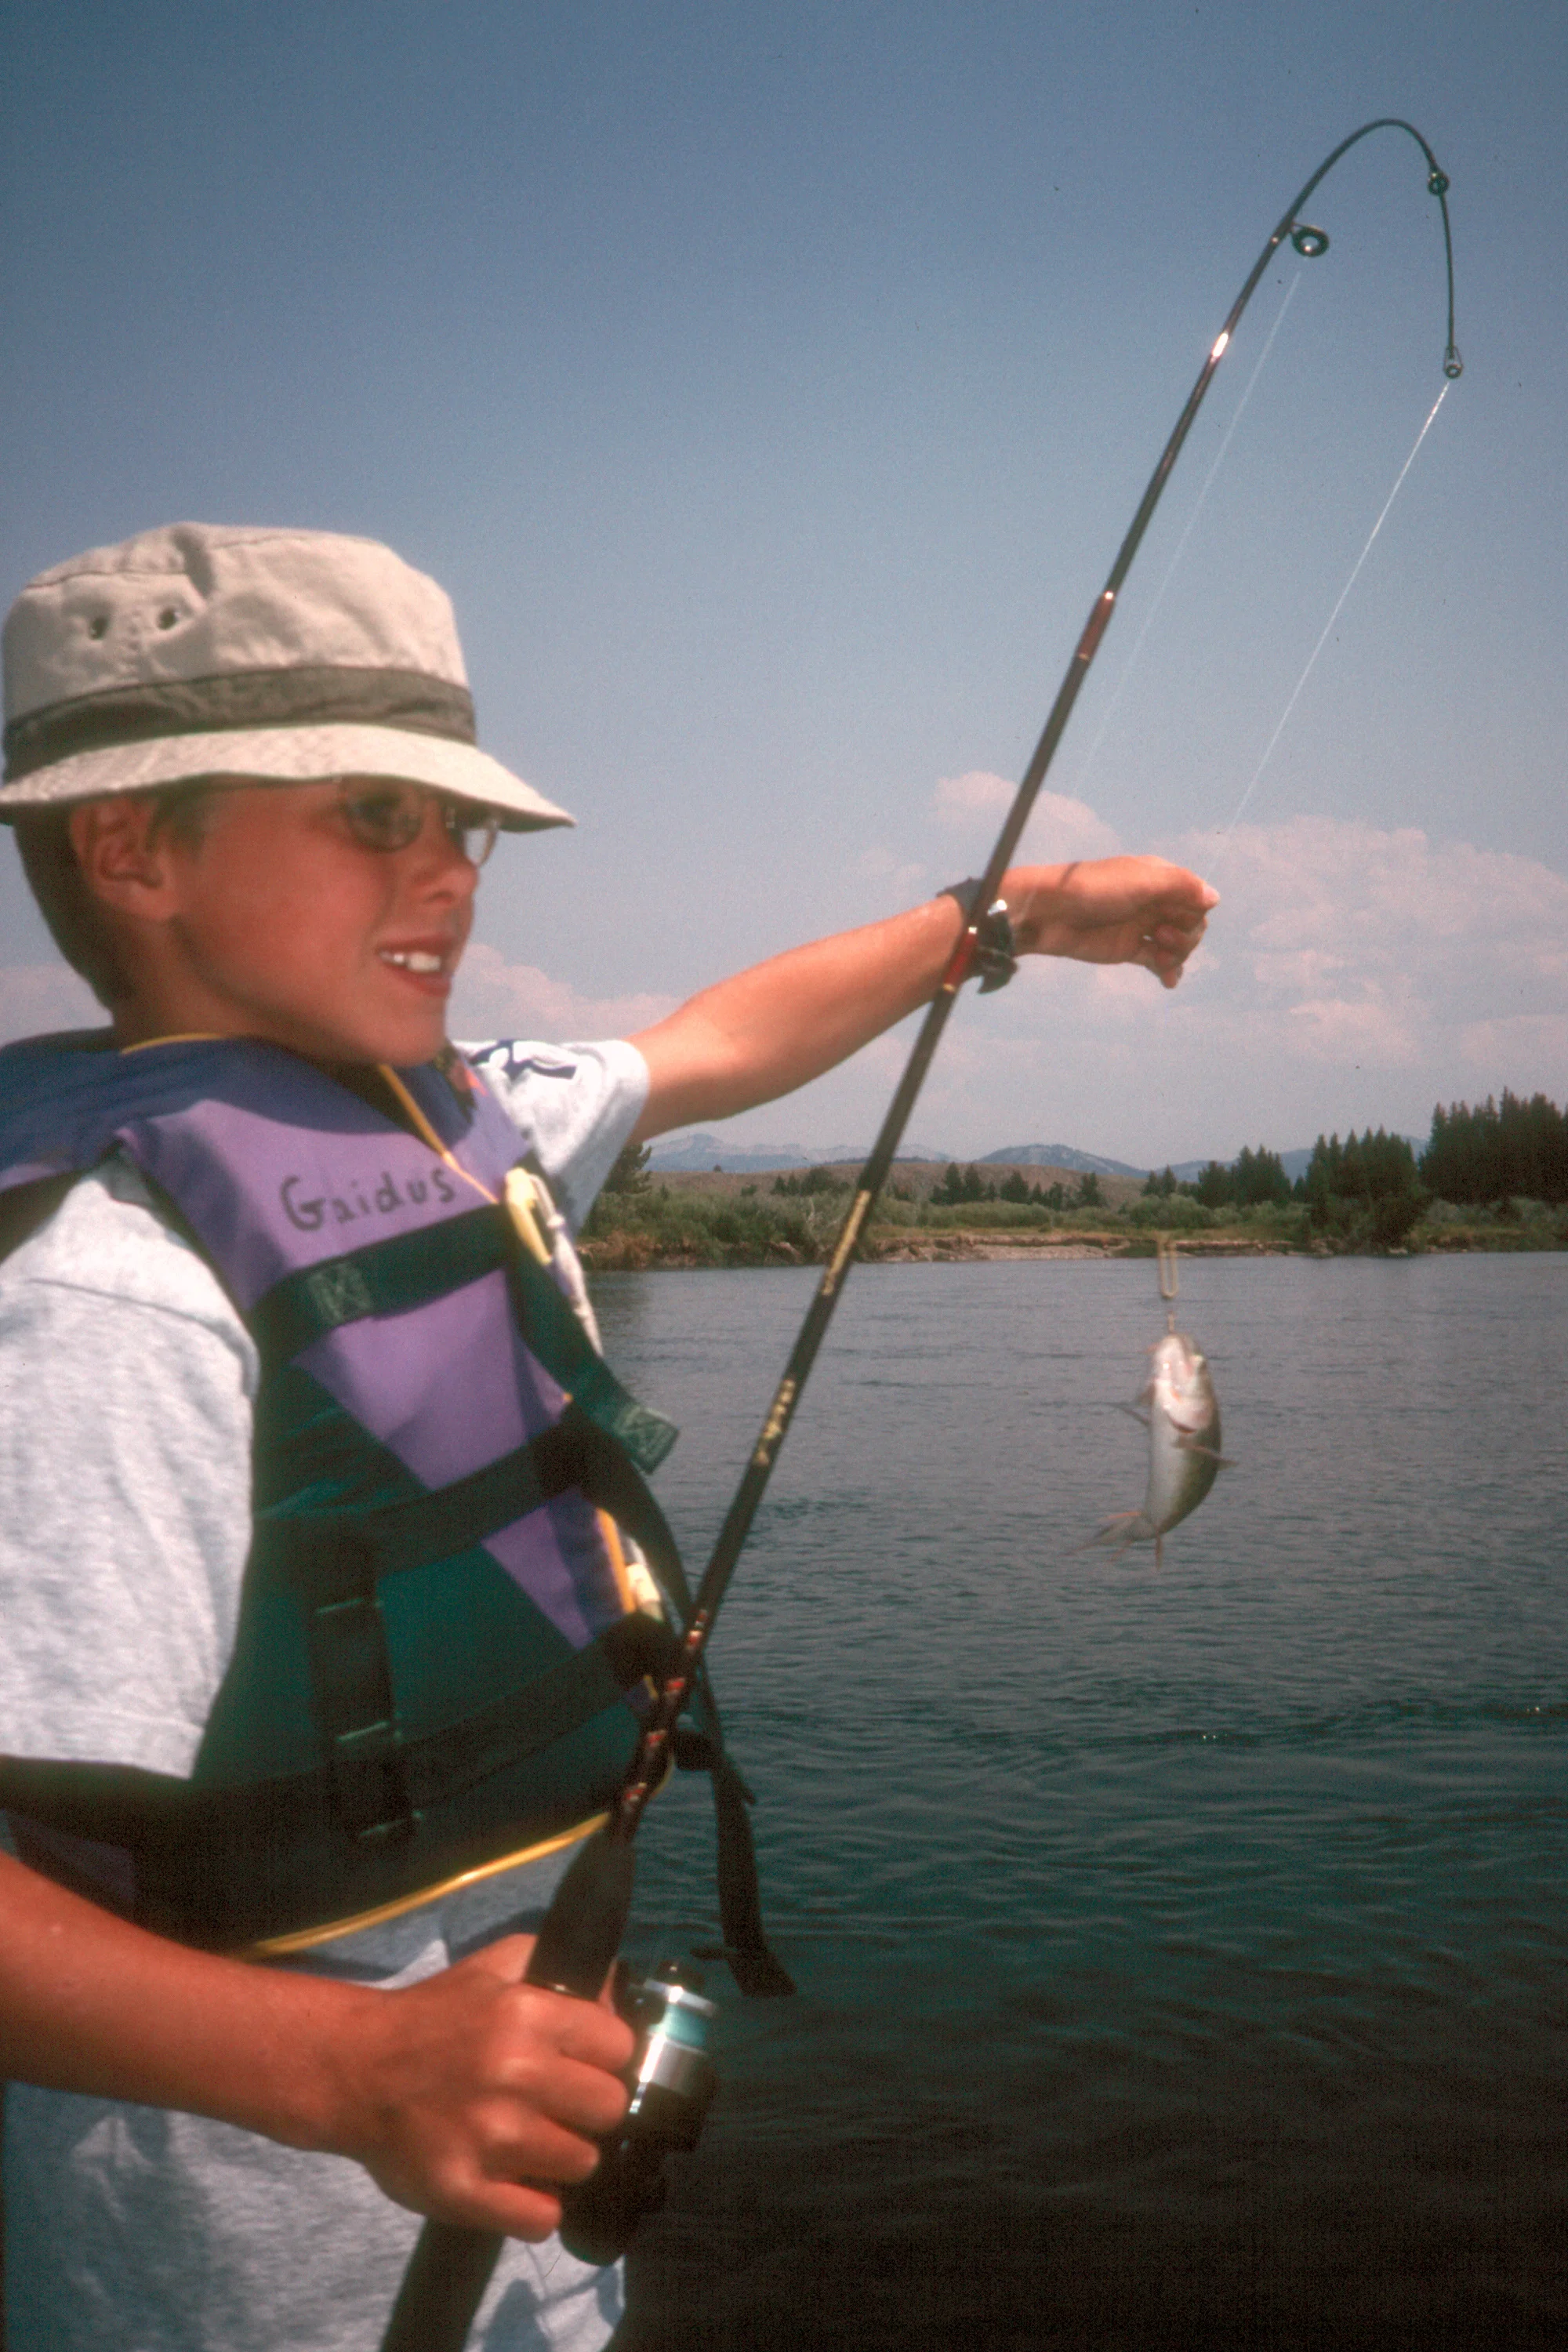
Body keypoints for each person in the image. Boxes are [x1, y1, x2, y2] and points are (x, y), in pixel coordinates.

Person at [0, 522, 1217, 2352]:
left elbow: (715, 1041)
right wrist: (345, 2072)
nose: (452, 875)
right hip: (245, 2280)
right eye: (372, 817)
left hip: (530, 2241)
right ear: (128, 845)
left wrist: (1020, 912)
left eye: (461, 825)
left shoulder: (455, 1118)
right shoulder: (115, 1301)